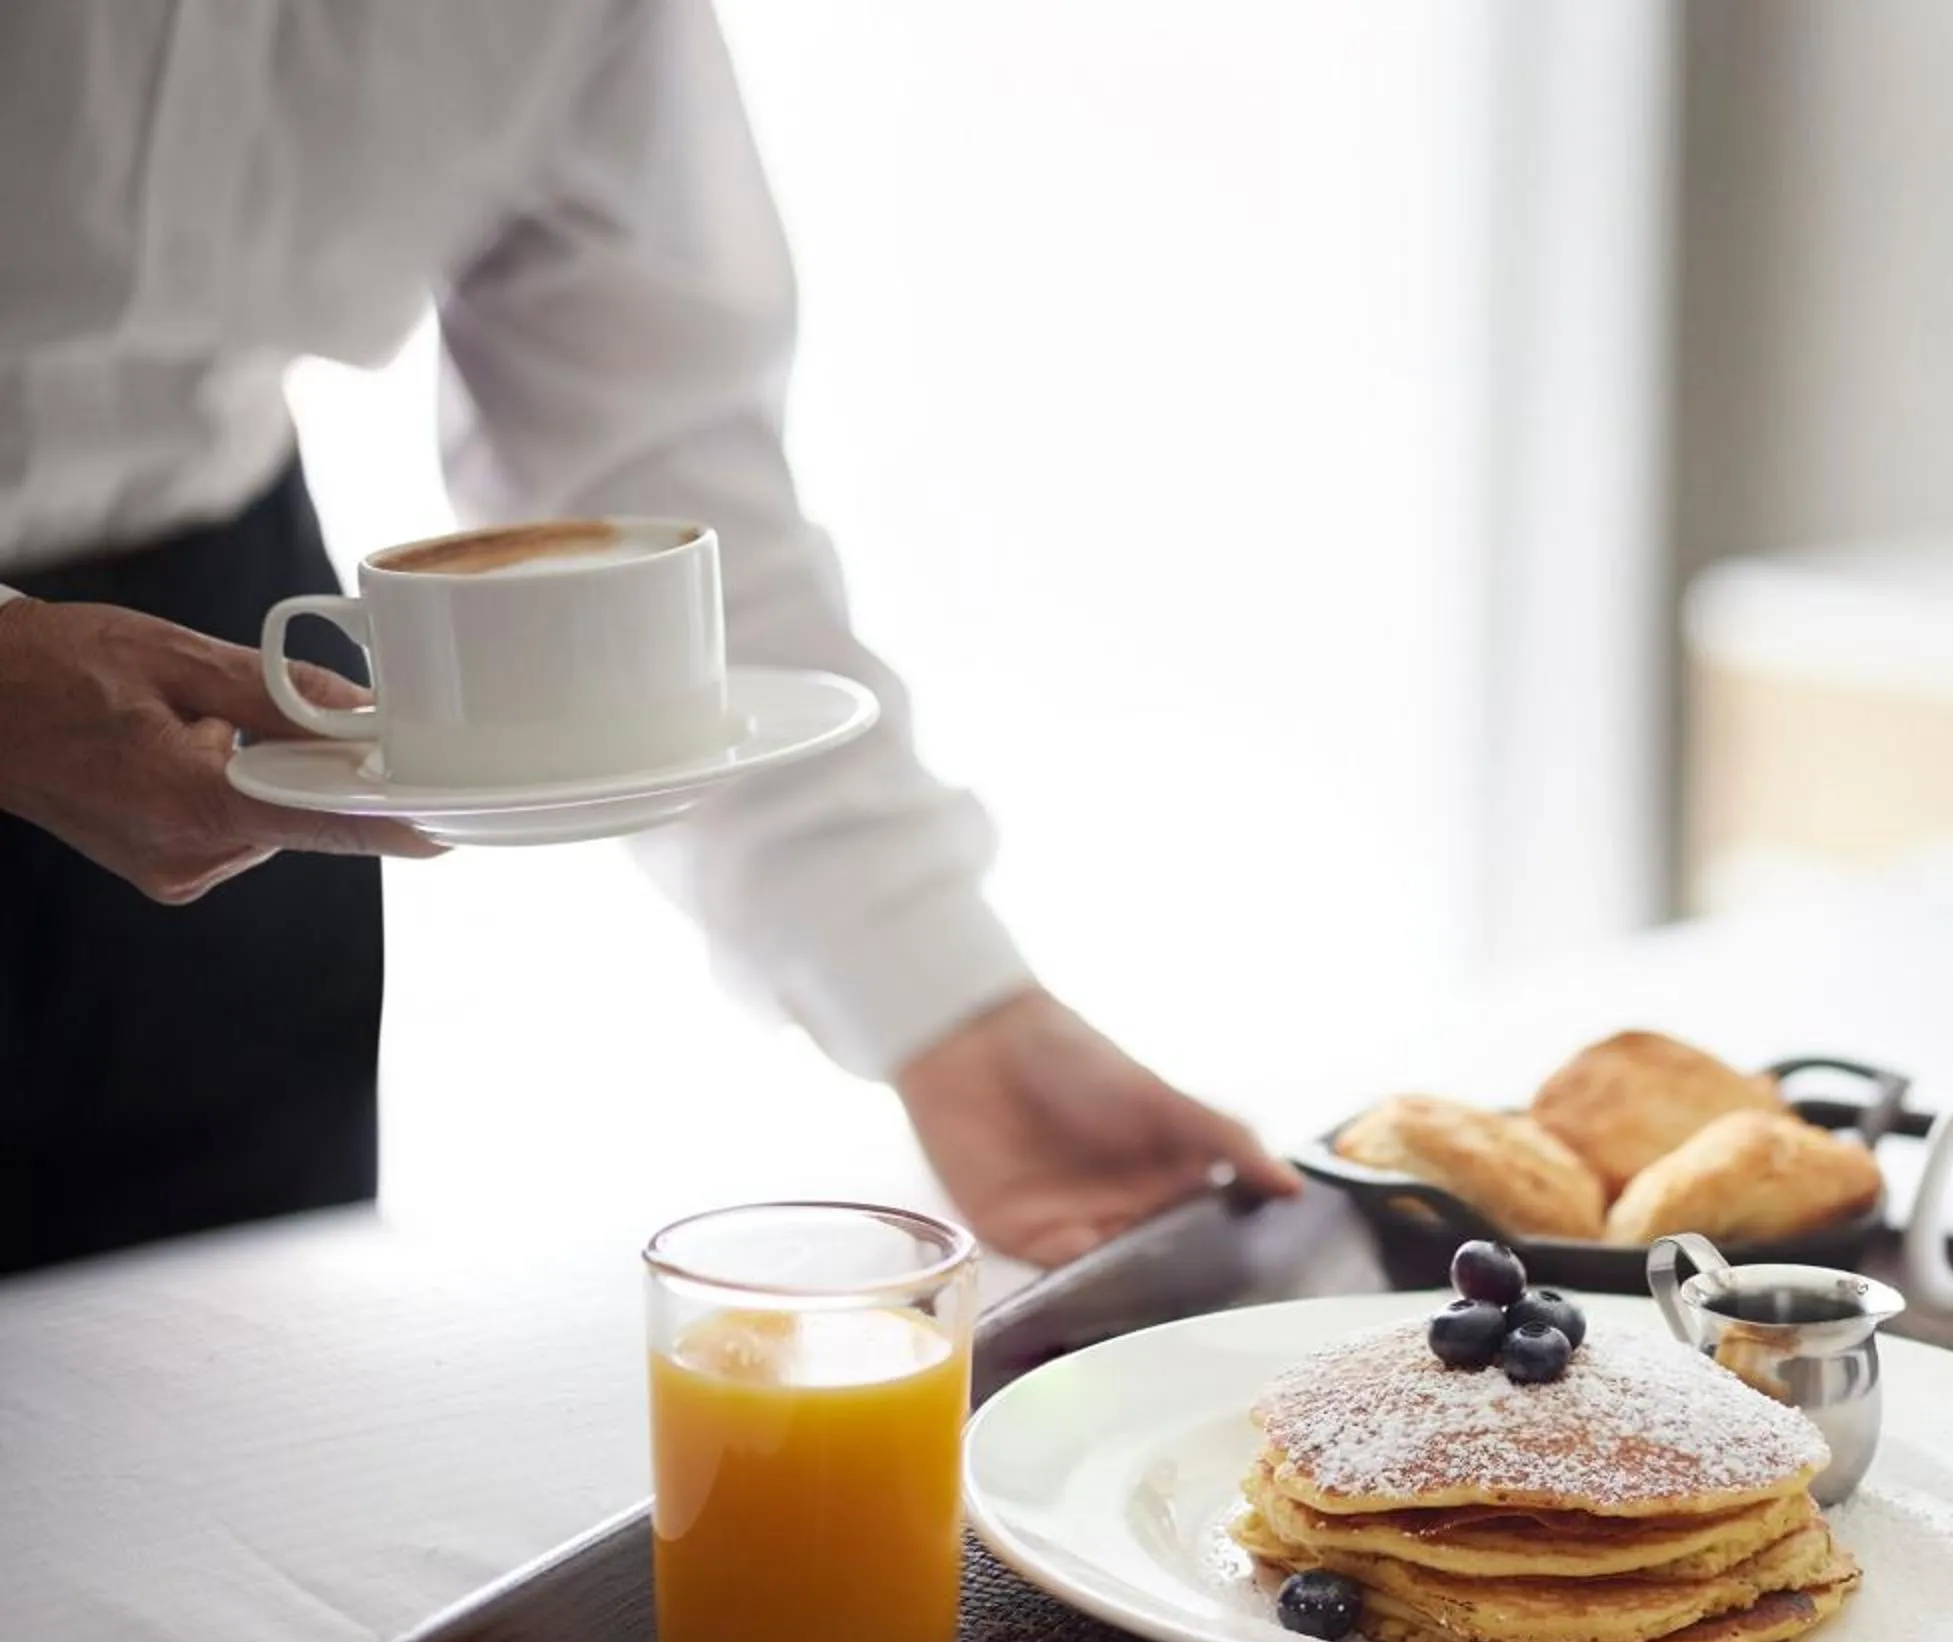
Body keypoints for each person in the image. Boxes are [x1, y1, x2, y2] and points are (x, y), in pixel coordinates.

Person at [0, 0, 1297, 1277]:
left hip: (214, 687)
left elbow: (652, 461)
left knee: (206, 1394)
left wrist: (950, 1005)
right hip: (127, 666)